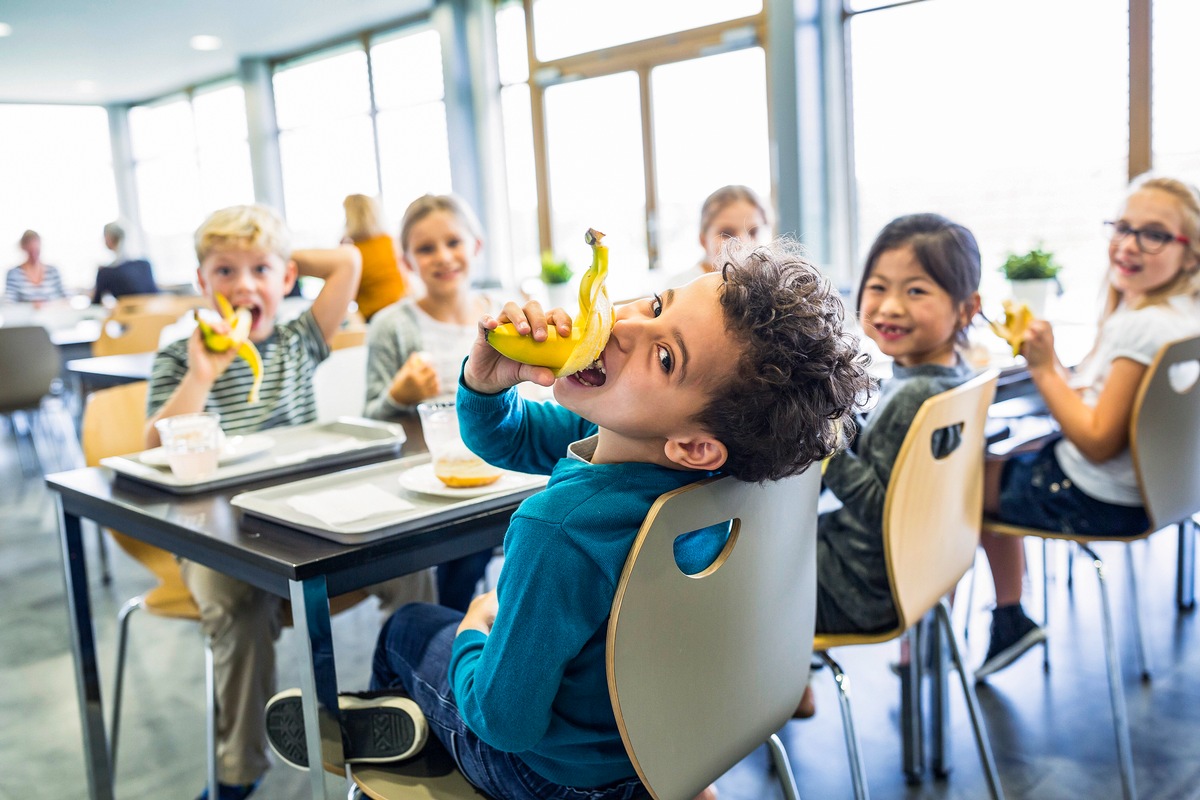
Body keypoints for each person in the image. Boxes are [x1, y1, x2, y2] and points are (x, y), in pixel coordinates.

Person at [263, 238, 872, 799]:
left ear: (692, 443)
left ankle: (406, 741)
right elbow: (511, 434)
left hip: (552, 778)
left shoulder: (561, 529)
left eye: (664, 356)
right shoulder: (714, 467)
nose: (627, 323)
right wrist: (487, 379)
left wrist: (476, 630)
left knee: (412, 627)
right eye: (657, 303)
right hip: (668, 749)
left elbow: (506, 722)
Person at [145, 204, 436, 800]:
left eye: (261, 271)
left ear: (287, 280)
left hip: (304, 518)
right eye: (225, 271)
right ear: (202, 283)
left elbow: (350, 261)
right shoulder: (180, 355)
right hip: (215, 532)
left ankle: (402, 709)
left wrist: (277, 255)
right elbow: (153, 446)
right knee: (234, 603)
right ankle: (238, 771)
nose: (243, 284)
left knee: (411, 564)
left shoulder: (299, 338)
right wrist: (202, 373)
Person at [975, 173, 1200, 680]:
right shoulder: (1182, 315)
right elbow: (1102, 400)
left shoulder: (1143, 326)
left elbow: (1098, 441)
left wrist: (1041, 368)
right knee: (1004, 460)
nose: (1129, 244)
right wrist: (1055, 368)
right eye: (1123, 227)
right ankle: (1009, 615)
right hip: (1166, 492)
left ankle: (1006, 618)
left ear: (1191, 254)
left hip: (1096, 495)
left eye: (1155, 234)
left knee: (963, 483)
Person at [792, 213, 982, 718]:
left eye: (917, 291)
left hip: (864, 585)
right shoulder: (950, 378)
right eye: (878, 287)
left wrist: (827, 435)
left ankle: (778, 687)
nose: (891, 306)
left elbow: (880, 506)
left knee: (746, 567)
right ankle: (794, 674)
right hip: (924, 563)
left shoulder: (915, 395)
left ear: (967, 309)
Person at [364, 193, 497, 612]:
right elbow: (368, 421)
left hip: (498, 472)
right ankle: (446, 627)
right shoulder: (392, 326)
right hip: (427, 482)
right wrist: (396, 397)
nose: (443, 257)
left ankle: (457, 627)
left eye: (453, 242)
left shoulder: (502, 316)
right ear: (407, 261)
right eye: (425, 248)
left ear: (475, 246)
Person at [661, 184, 771, 289]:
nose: (743, 243)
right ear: (703, 240)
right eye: (727, 233)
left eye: (753, 232)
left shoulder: (767, 287)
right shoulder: (679, 288)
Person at [343, 193, 407, 321]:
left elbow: (345, 295)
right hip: (403, 308)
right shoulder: (390, 241)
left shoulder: (350, 252)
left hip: (374, 317)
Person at [93, 220, 158, 303]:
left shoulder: (105, 272)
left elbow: (96, 302)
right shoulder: (145, 264)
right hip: (154, 312)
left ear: (109, 238)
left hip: (129, 314)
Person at [5, 230, 66, 304]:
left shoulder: (53, 271)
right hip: (25, 315)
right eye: (31, 251)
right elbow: (9, 303)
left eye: (36, 250)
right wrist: (30, 305)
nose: (34, 255)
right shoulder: (14, 274)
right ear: (23, 248)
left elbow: (66, 298)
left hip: (52, 314)